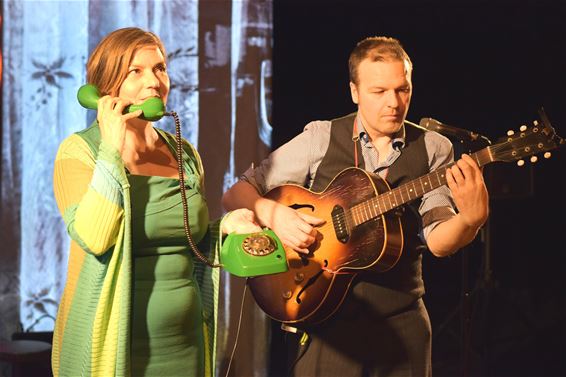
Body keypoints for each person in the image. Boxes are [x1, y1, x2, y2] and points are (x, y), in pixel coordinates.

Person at [222, 36, 489, 376]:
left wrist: (470, 220)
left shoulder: (434, 148)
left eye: (402, 89)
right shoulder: (320, 137)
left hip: (402, 323)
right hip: (326, 321)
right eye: (379, 91)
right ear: (354, 91)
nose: (394, 102)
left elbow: (437, 241)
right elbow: (237, 194)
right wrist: (276, 215)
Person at [51, 27, 261, 377]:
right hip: (116, 350)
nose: (154, 81)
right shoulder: (79, 152)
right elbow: (94, 236)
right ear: (106, 88)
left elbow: (187, 241)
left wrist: (224, 228)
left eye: (160, 68)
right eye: (136, 71)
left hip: (186, 344)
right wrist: (111, 149)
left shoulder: (184, 153)